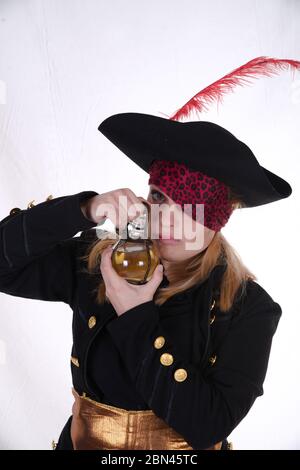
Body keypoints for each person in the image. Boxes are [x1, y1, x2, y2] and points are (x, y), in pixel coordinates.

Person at [0, 111, 291, 450]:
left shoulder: (248, 307)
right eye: (159, 197)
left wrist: (136, 317)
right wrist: (84, 209)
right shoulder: (98, 262)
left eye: (189, 208)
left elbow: (208, 425)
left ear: (217, 221)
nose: (167, 219)